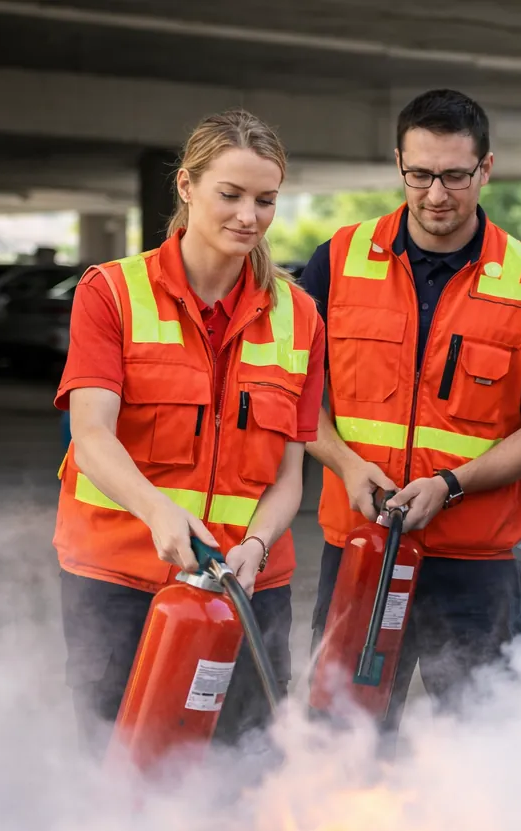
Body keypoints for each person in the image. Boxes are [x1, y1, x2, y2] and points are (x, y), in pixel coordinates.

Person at [301, 89, 521, 724]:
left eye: (455, 175)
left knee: (480, 745)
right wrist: (345, 464)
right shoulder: (338, 261)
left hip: (478, 566)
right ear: (399, 164)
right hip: (363, 549)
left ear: (486, 169)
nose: (435, 195)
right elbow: (297, 397)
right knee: (342, 737)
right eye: (420, 175)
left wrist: (451, 485)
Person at [55, 110, 324, 753]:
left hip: (247, 584)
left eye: (265, 200)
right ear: (186, 186)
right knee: (119, 764)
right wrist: (158, 513)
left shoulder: (300, 314)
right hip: (119, 578)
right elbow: (92, 436)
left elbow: (289, 476)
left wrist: (256, 546)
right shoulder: (111, 293)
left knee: (244, 766)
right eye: (230, 195)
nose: (249, 217)